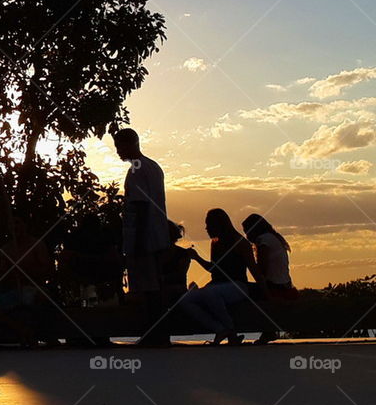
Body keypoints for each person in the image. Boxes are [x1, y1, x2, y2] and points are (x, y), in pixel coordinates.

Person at [113, 128, 170, 345]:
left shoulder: (137, 169)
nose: (118, 152)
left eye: (120, 147)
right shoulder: (153, 166)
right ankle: (159, 334)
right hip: (157, 235)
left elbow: (141, 205)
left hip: (145, 237)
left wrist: (137, 242)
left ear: (131, 144)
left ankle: (153, 334)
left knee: (148, 289)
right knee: (155, 286)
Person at [182, 209, 264, 345]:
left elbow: (254, 270)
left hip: (238, 286)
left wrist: (265, 291)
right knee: (185, 300)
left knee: (210, 292)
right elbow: (214, 269)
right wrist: (196, 257)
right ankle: (220, 329)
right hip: (217, 285)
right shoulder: (215, 243)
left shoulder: (240, 243)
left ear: (218, 225)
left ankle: (230, 329)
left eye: (208, 224)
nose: (206, 228)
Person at [243, 213, 297, 344]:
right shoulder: (275, 238)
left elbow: (262, 270)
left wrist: (246, 260)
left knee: (240, 290)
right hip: (285, 285)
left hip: (275, 287)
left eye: (247, 231)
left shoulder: (263, 240)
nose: (246, 236)